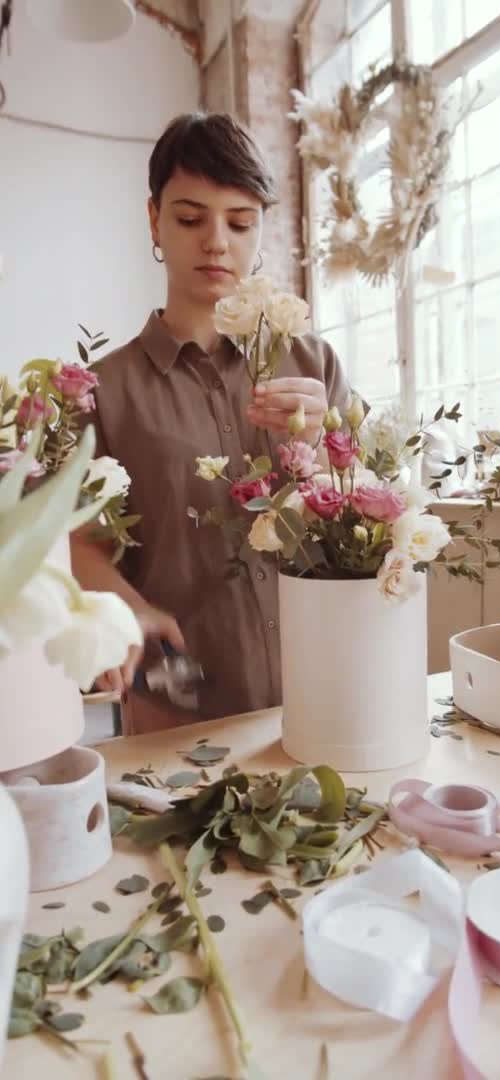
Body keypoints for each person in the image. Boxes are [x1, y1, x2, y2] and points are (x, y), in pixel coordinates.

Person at [71, 111, 353, 735]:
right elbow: (75, 542)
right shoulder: (104, 392)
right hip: (181, 712)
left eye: (240, 221)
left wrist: (325, 453)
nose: (216, 242)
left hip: (325, 695)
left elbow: (371, 524)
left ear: (261, 230)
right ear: (154, 220)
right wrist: (129, 608)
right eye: (191, 218)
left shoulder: (314, 365)